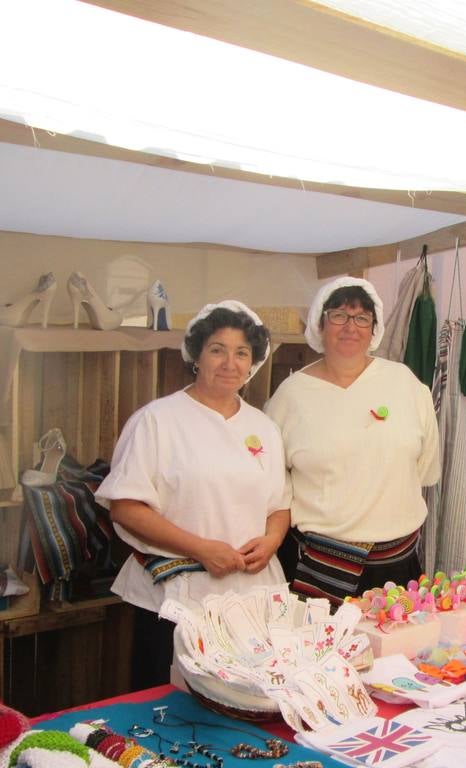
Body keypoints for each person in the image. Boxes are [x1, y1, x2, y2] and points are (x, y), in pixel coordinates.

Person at [95, 300, 291, 688]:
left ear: (252, 362)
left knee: (240, 701)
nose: (229, 363)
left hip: (250, 596)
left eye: (241, 353)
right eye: (217, 350)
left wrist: (270, 542)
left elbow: (279, 506)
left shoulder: (263, 427)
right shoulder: (158, 420)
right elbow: (126, 507)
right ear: (196, 356)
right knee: (167, 707)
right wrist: (202, 548)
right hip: (174, 597)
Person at [265, 276, 441, 604]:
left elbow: (425, 469)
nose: (351, 327)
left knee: (396, 654)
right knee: (318, 653)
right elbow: (273, 482)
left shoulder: (404, 383)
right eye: (339, 315)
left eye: (362, 318)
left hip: (397, 569)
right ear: (320, 324)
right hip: (319, 570)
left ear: (374, 328)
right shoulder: (290, 397)